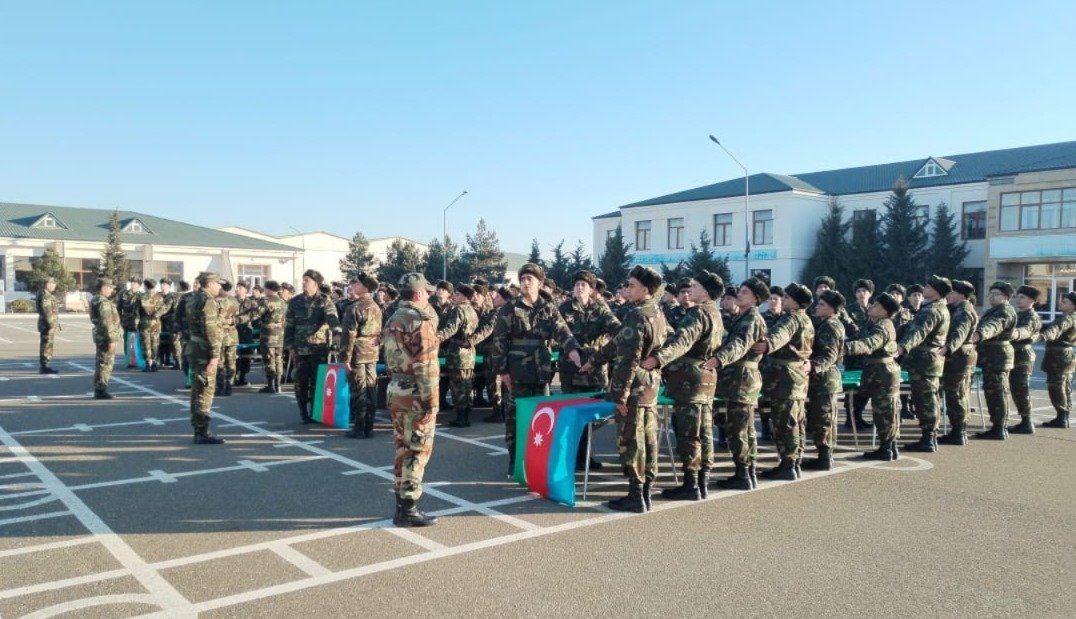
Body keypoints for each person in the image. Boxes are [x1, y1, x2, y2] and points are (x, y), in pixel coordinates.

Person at [582, 265, 666, 512]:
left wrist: (620, 395)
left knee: (631, 441)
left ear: (646, 289)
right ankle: (645, 492)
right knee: (648, 439)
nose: (627, 289)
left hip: (634, 388)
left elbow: (628, 359)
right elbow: (618, 343)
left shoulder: (637, 315)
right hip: (650, 386)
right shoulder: (657, 312)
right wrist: (594, 361)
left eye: (632, 285)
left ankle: (636, 495)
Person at [488, 263, 581, 475]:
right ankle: (515, 461)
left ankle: (537, 462)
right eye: (522, 279)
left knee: (541, 420)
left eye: (530, 279)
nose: (525, 283)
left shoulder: (548, 308)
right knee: (515, 419)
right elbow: (499, 341)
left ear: (540, 283)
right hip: (517, 374)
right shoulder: (510, 308)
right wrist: (503, 372)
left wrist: (573, 350)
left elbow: (562, 331)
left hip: (540, 373)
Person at [642, 270, 724, 500]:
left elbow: (682, 341)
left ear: (705, 291)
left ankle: (691, 484)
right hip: (706, 378)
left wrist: (658, 358)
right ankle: (702, 480)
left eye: (695, 286)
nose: (690, 290)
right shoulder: (715, 312)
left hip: (690, 380)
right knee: (703, 431)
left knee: (688, 433)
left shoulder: (698, 313)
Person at [383, 272, 442, 527]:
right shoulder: (419, 321)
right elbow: (425, 366)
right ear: (418, 294)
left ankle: (401, 505)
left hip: (396, 390)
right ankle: (408, 508)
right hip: (416, 394)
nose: (429, 296)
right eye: (427, 292)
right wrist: (432, 402)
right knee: (417, 450)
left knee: (401, 449)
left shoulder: (393, 318)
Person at [704, 277, 769, 491]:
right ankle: (747, 472)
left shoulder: (752, 319)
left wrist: (718, 359)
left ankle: (744, 473)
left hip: (742, 378)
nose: (739, 295)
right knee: (744, 427)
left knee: (739, 428)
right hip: (738, 377)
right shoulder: (742, 316)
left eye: (745, 292)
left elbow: (739, 345)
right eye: (740, 291)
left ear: (756, 299)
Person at [558, 270, 622, 470]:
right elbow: (557, 332)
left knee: (590, 417)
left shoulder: (600, 309)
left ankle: (585, 456)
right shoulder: (564, 308)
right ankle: (571, 457)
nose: (579, 288)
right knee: (571, 414)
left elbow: (618, 331)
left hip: (594, 369)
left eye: (583, 285)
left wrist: (606, 352)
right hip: (571, 369)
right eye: (577, 284)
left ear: (591, 289)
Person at [754, 282, 814, 480]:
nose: (783, 300)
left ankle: (788, 465)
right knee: (797, 420)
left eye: (787, 297)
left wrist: (767, 344)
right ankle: (795, 461)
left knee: (785, 422)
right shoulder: (805, 318)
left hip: (785, 378)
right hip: (798, 375)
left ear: (796, 302)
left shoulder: (791, 318)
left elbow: (781, 334)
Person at [845, 292, 903, 461]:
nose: (871, 306)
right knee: (883, 411)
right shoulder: (873, 323)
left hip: (883, 373)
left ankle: (886, 448)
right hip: (877, 372)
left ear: (884, 311)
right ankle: (890, 447)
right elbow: (858, 337)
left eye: (876, 305)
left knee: (885, 411)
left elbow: (869, 343)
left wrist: (847, 348)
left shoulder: (883, 326)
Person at [897, 275, 951, 453]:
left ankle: (928, 439)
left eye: (928, 287)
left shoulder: (931, 311)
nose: (924, 289)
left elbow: (919, 332)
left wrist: (902, 347)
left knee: (925, 400)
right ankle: (929, 437)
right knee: (927, 398)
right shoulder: (938, 308)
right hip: (928, 360)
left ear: (936, 292)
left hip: (924, 361)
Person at [285, 269, 341, 423]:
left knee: (318, 383)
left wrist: (337, 332)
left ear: (316, 283)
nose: (303, 283)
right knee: (300, 382)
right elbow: (289, 325)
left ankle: (316, 412)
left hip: (319, 348)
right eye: (303, 280)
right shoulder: (295, 302)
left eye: (307, 280)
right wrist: (290, 347)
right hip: (300, 349)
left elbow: (332, 318)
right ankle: (303, 412)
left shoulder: (325, 301)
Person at [803, 290, 846, 470]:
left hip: (825, 379)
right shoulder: (825, 323)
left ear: (832, 309)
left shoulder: (831, 326)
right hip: (821, 379)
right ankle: (823, 455)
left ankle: (825, 457)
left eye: (822, 304)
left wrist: (812, 365)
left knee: (824, 419)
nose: (817, 307)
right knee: (819, 418)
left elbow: (830, 355)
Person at [970, 281, 1018, 440]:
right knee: (992, 392)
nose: (991, 296)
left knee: (998, 392)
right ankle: (997, 426)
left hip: (998, 357)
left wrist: (979, 334)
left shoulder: (1005, 311)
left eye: (996, 294)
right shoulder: (994, 310)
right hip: (991, 356)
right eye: (990, 293)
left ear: (1006, 297)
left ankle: (999, 428)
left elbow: (994, 326)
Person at [339, 273, 382, 437]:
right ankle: (369, 427)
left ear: (365, 287)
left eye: (356, 283)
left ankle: (359, 428)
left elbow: (348, 335)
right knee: (371, 389)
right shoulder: (376, 307)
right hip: (372, 353)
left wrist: (345, 357)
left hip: (357, 353)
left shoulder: (354, 308)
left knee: (358, 391)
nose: (352, 286)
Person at [937, 280, 979, 445]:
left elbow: (959, 333)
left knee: (957, 394)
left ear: (960, 295)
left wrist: (948, 348)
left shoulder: (964, 311)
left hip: (960, 357)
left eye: (952, 293)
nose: (949, 295)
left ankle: (958, 432)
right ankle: (959, 430)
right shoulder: (958, 308)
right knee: (957, 393)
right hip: (959, 356)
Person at [187, 272, 226, 444]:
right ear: (210, 284)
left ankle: (198, 428)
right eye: (217, 283)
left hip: (194, 347)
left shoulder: (193, 299)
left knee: (197, 390)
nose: (220, 287)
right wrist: (215, 356)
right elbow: (211, 331)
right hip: (204, 351)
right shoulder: (208, 301)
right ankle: (202, 432)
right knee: (205, 391)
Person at [436, 284, 479, 428]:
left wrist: (437, 337)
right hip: (469, 354)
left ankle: (461, 417)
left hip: (458, 354)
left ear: (465, 297)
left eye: (458, 294)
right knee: (467, 386)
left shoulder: (459, 310)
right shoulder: (472, 310)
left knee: (457, 387)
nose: (455, 296)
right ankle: (466, 416)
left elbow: (451, 328)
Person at [1036, 291, 1075, 429]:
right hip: (1066, 355)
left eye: (1065, 302)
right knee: (1065, 386)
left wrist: (1042, 337)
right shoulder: (1071, 317)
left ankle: (1061, 417)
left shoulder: (1067, 319)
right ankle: (1064, 416)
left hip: (1058, 357)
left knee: (1056, 387)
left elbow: (1055, 329)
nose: (1061, 303)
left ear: (1073, 305)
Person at [1008, 286, 1043, 434]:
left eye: (1022, 297)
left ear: (1032, 300)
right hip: (1013, 353)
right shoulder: (1017, 314)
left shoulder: (1032, 316)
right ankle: (1024, 420)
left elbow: (1027, 330)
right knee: (1015, 388)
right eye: (1018, 296)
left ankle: (1027, 422)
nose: (1018, 299)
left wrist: (1016, 333)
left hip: (1023, 354)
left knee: (1021, 388)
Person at [844, 279, 875, 430]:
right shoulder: (848, 310)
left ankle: (858, 415)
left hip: (868, 356)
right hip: (853, 356)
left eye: (864, 291)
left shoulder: (874, 310)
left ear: (870, 293)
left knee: (865, 388)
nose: (861, 294)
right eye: (858, 291)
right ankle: (850, 418)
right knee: (852, 389)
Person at [758, 285, 785, 442]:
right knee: (764, 399)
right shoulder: (761, 318)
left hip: (781, 365)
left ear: (781, 300)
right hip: (765, 364)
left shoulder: (786, 319)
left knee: (780, 398)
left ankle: (777, 426)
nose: (773, 301)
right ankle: (765, 426)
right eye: (770, 299)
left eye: (776, 299)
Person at [89, 277, 121, 399]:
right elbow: (107, 322)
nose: (112, 290)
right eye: (110, 288)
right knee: (105, 363)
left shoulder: (96, 299)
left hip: (101, 335)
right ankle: (101, 389)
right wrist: (112, 340)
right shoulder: (103, 302)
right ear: (104, 288)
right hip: (106, 337)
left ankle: (99, 388)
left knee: (101, 362)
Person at [256, 280, 288, 394]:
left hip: (268, 334)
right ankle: (278, 385)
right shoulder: (283, 302)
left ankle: (271, 385)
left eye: (265, 288)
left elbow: (256, 314)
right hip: (280, 334)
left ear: (269, 289)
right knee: (278, 359)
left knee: (269, 359)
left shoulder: (265, 301)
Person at [233, 281, 260, 386]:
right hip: (233, 331)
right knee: (233, 355)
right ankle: (233, 376)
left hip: (246, 332)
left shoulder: (252, 303)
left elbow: (255, 316)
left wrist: (240, 319)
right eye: (237, 287)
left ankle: (242, 376)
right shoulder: (231, 301)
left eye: (240, 287)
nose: (237, 289)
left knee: (246, 355)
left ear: (246, 290)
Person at [137, 278, 166, 372]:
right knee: (155, 343)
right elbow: (163, 308)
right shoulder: (159, 296)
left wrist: (135, 324)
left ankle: (147, 364)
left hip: (144, 323)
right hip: (156, 323)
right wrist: (156, 315)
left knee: (145, 344)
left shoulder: (141, 296)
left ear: (145, 286)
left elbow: (136, 311)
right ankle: (154, 363)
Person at [36, 276, 60, 374]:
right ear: (48, 284)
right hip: (47, 325)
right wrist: (51, 325)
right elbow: (47, 312)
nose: (54, 286)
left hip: (45, 324)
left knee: (46, 344)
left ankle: (45, 365)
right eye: (53, 284)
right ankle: (44, 366)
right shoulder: (45, 296)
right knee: (47, 345)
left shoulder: (43, 294)